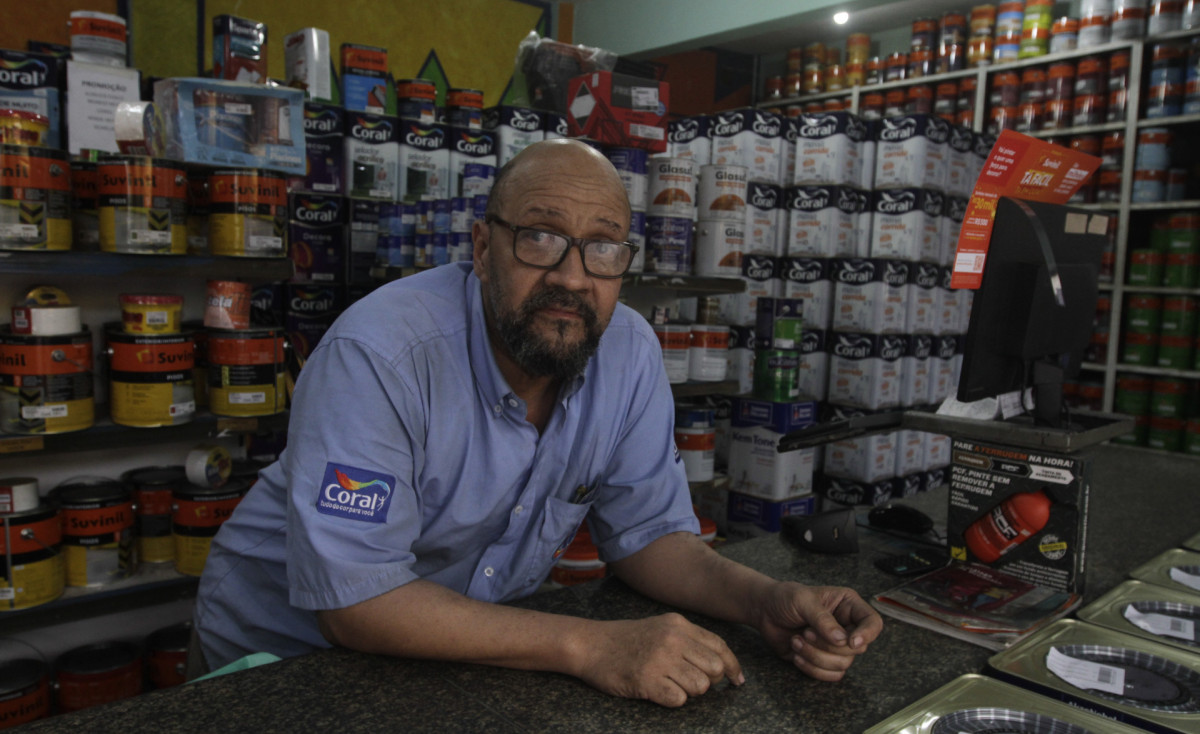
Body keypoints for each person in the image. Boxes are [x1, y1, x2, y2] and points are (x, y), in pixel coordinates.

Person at [194, 139, 882, 708]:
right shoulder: (378, 354)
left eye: (603, 247)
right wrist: (591, 645)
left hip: (455, 660)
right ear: (483, 246)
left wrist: (765, 603)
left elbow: (648, 536)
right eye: (541, 237)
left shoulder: (629, 351)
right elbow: (357, 603)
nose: (573, 277)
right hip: (282, 656)